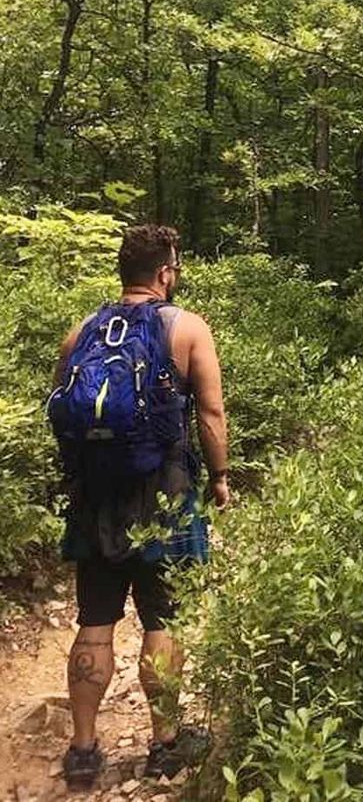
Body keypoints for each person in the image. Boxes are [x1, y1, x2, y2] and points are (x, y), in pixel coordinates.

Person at [52, 224, 229, 788]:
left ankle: (82, 752)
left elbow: (62, 412)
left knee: (95, 623)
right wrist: (220, 478)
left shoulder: (82, 332)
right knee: (162, 619)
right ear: (165, 273)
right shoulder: (188, 328)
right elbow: (210, 415)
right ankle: (164, 745)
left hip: (96, 498)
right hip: (164, 497)